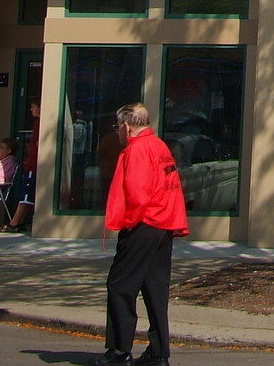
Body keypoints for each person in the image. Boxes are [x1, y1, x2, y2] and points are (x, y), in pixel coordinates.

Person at [102, 101, 187, 366]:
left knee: (120, 286)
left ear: (126, 126)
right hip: (164, 224)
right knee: (155, 289)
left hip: (143, 224)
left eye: (118, 126)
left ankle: (119, 351)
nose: (118, 132)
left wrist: (128, 223)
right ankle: (158, 353)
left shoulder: (137, 150)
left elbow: (138, 193)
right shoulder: (160, 146)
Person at [0, 98, 41, 233]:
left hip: (34, 164)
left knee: (27, 194)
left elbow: (38, 144)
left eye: (33, 107)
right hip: (31, 163)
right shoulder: (37, 123)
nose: (31, 110)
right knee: (28, 192)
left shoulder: (39, 124)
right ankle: (20, 221)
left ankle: (15, 221)